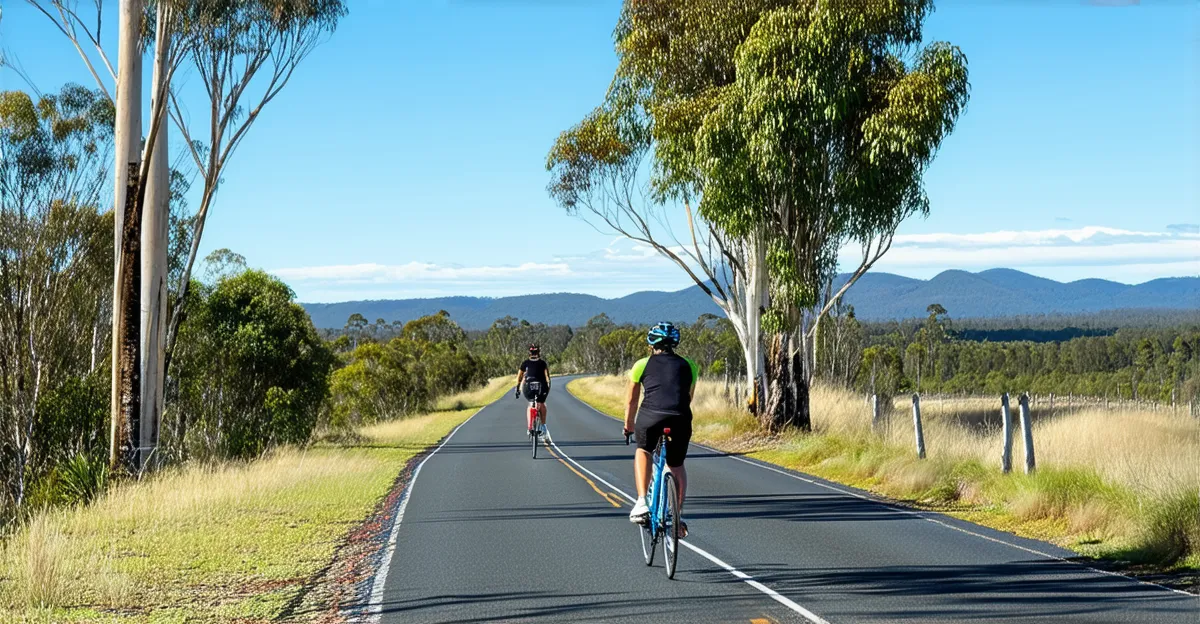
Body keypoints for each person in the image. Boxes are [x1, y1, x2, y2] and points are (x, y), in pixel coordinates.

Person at [624, 322, 698, 536]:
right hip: (680, 418)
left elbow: (631, 400)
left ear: (651, 344)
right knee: (677, 465)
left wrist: (628, 425)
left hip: (650, 417)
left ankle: (641, 502)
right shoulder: (690, 365)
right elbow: (688, 397)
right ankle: (677, 516)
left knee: (643, 450)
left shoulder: (641, 365)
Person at [516, 344, 551, 432]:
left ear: (529, 353)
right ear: (539, 352)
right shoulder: (542, 363)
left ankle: (529, 427)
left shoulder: (525, 363)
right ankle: (543, 426)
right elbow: (548, 378)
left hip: (528, 388)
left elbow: (519, 377)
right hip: (541, 387)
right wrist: (547, 389)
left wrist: (517, 389)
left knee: (531, 404)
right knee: (542, 404)